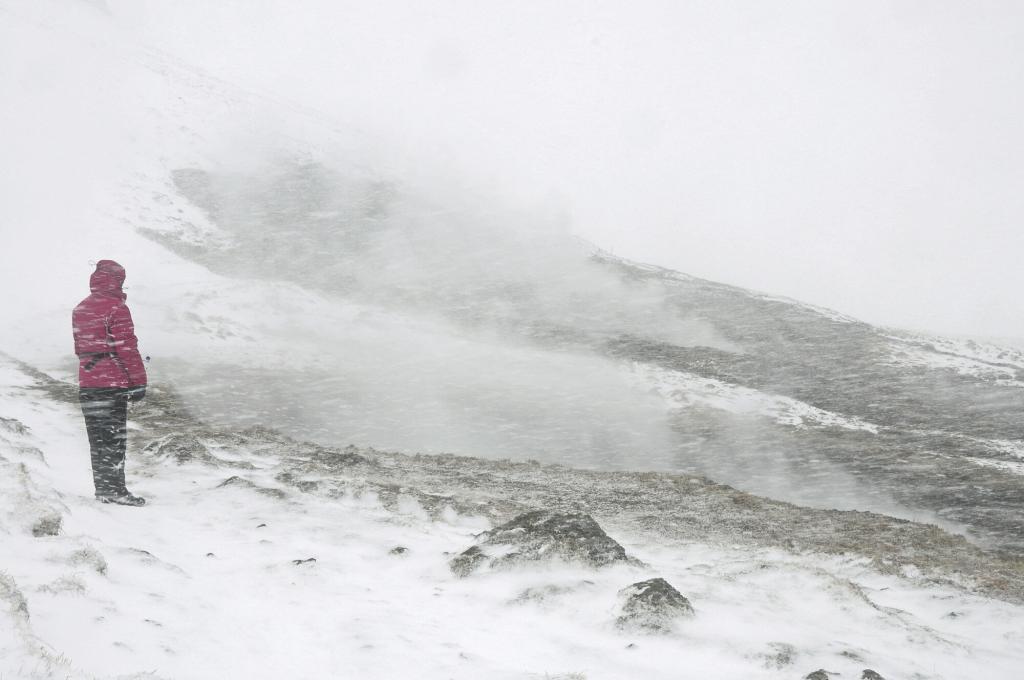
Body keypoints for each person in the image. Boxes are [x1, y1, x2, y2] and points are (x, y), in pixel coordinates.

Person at [72, 260, 148, 506]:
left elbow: (80, 348)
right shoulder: (117, 309)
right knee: (114, 439)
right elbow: (127, 349)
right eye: (122, 280)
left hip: (88, 383)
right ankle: (115, 490)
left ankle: (104, 489)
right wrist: (138, 382)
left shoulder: (80, 308)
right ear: (116, 281)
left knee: (98, 440)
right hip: (111, 384)